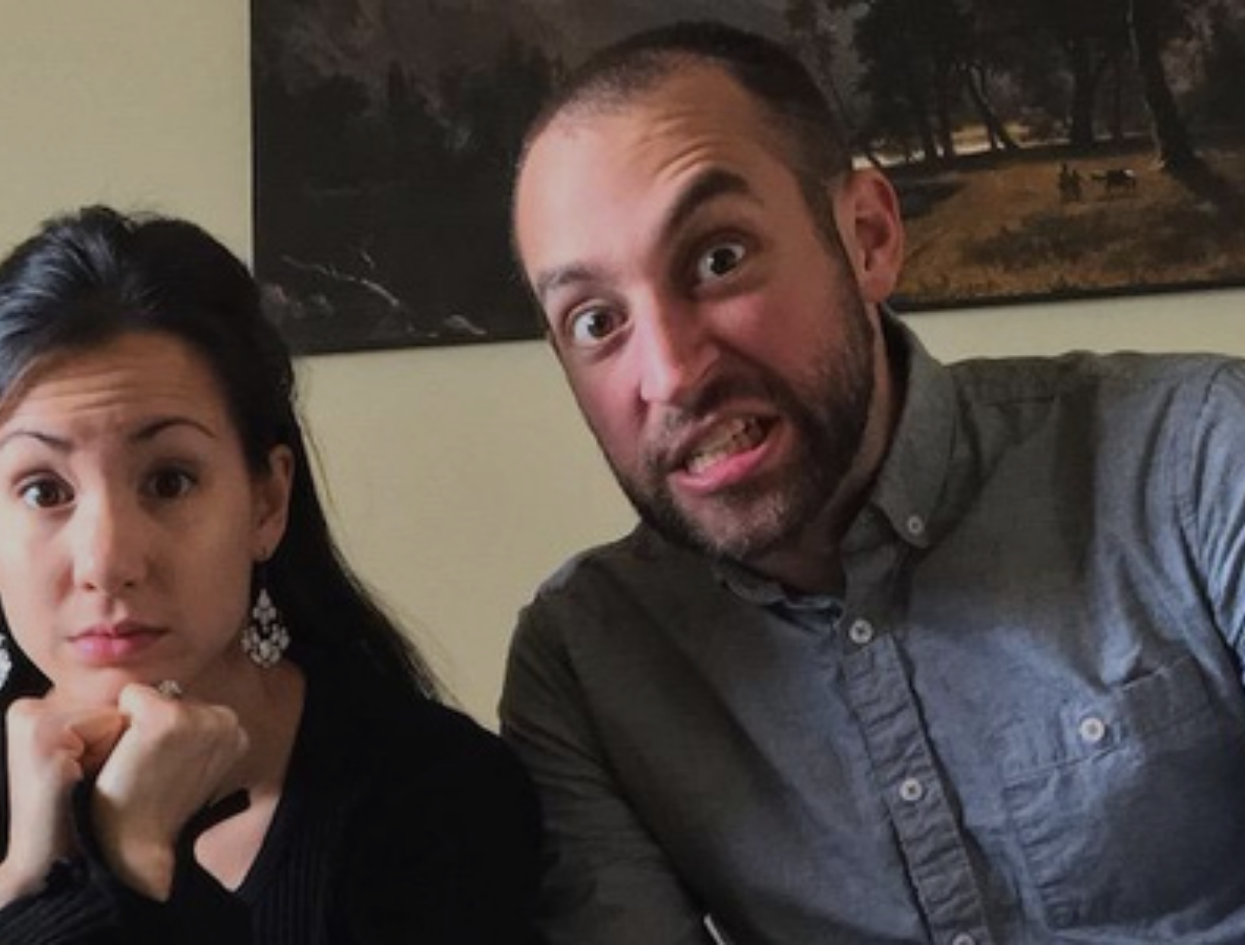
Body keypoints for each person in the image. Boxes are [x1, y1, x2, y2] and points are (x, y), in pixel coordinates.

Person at [501, 20, 1245, 945]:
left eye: (719, 259)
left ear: (869, 238)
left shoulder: (1201, 460)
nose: (673, 375)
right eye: (595, 321)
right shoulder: (587, 660)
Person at [0, 206, 541, 943]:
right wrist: (44, 883)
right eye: (44, 491)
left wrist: (134, 862)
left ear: (267, 501)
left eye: (169, 481)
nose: (108, 562)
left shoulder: (443, 794)